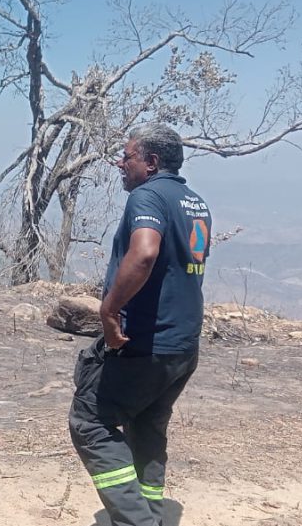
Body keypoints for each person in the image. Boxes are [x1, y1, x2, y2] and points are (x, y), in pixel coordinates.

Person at [69, 123, 212, 526]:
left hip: (147, 344)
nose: (120, 162)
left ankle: (137, 521)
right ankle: (150, 509)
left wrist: (109, 311)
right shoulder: (195, 202)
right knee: (147, 424)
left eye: (127, 155)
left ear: (151, 162)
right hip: (184, 345)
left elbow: (145, 254)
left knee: (90, 420)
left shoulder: (147, 195)